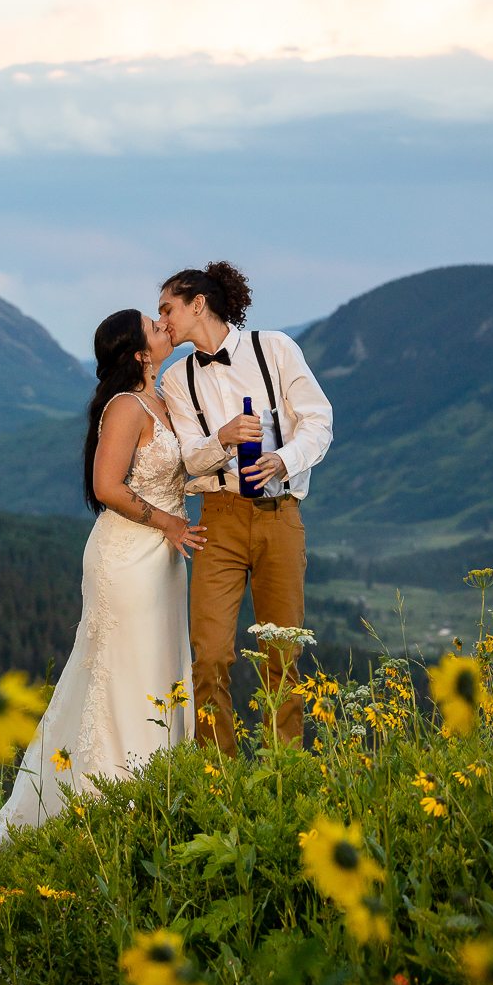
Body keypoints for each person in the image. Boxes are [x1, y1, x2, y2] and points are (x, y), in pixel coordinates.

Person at [0, 308, 201, 853]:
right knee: (125, 670)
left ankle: (157, 788)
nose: (166, 326)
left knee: (159, 664)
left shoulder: (162, 401)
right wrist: (169, 521)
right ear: (140, 352)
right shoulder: (125, 406)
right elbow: (105, 486)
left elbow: (177, 471)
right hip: (127, 558)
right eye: (155, 324)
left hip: (163, 562)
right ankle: (111, 798)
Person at [159, 262, 333, 756]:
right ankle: (220, 772)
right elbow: (189, 456)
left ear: (198, 303)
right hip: (220, 518)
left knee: (284, 652)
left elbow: (319, 420)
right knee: (210, 654)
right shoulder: (178, 379)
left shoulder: (274, 348)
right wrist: (223, 438)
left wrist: (283, 459)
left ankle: (283, 766)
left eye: (167, 308)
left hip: (281, 516)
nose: (164, 320)